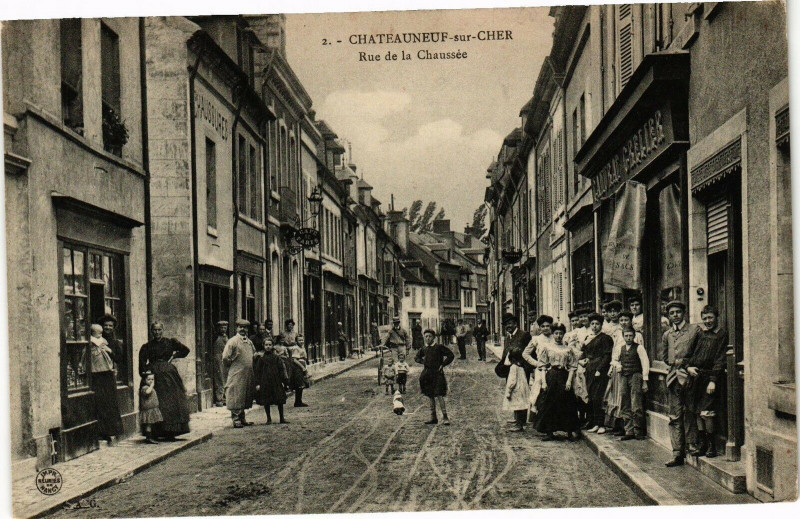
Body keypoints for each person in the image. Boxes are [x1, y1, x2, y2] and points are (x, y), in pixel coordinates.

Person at [658, 300, 702, 467]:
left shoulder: (694, 331)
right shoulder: (667, 335)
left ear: (684, 313)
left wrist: (687, 365)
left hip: (690, 376)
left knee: (690, 411)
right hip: (673, 379)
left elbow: (699, 353)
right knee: (675, 415)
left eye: (678, 312)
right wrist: (674, 366)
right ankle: (677, 452)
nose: (675, 316)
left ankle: (692, 444)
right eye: (671, 313)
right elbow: (665, 357)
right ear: (668, 316)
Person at [685, 305, 728, 458]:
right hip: (695, 377)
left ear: (717, 317)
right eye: (705, 319)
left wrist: (713, 380)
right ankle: (702, 444)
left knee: (707, 413)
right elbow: (688, 354)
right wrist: (689, 367)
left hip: (709, 378)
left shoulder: (722, 335)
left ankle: (712, 445)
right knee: (697, 411)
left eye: (710, 318)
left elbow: (720, 359)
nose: (707, 321)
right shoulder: (700, 334)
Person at [139, 322, 191, 439]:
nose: (157, 332)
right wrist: (147, 377)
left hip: (169, 376)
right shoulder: (147, 346)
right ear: (151, 331)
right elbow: (142, 366)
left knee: (171, 401)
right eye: (154, 330)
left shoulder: (170, 342)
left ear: (163, 330)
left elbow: (185, 350)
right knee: (155, 402)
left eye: (159, 330)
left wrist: (174, 356)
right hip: (154, 377)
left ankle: (170, 431)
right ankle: (156, 432)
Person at [533, 323, 581, 441]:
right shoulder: (547, 347)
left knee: (568, 403)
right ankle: (550, 432)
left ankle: (569, 431)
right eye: (556, 333)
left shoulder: (568, 349)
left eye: (561, 333)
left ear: (564, 334)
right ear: (553, 334)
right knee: (550, 403)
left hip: (564, 376)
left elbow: (572, 366)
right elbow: (543, 366)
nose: (558, 336)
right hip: (552, 376)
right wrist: (544, 382)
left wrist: (569, 381)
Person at [87, 321, 123, 444]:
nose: (108, 328)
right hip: (96, 374)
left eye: (110, 326)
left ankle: (111, 431)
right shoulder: (92, 341)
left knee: (109, 402)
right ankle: (101, 431)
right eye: (106, 325)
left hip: (108, 375)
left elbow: (119, 358)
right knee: (98, 402)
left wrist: (109, 351)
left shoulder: (113, 342)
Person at [415, 329, 455, 425]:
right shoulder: (424, 348)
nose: (428, 338)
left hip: (437, 374)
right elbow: (416, 358)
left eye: (430, 336)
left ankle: (445, 417)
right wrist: (423, 362)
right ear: (424, 337)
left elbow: (451, 355)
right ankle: (433, 417)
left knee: (439, 394)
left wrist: (443, 364)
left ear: (434, 338)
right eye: (426, 336)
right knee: (430, 395)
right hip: (427, 375)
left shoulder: (439, 347)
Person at [616, 326, 649, 441]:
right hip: (624, 376)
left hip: (636, 376)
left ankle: (638, 430)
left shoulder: (639, 348)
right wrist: (617, 365)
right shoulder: (621, 348)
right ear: (623, 336)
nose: (628, 338)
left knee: (636, 404)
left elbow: (645, 363)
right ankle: (628, 431)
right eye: (626, 335)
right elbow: (614, 360)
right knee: (625, 403)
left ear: (634, 336)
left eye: (630, 335)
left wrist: (645, 381)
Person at [582, 313, 614, 434]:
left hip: (600, 370)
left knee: (598, 397)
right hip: (589, 369)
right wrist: (584, 361)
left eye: (597, 324)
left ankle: (601, 424)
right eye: (592, 324)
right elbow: (585, 353)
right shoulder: (588, 338)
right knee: (590, 396)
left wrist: (599, 369)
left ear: (601, 325)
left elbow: (607, 356)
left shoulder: (605, 338)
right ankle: (593, 422)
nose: (595, 326)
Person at [222, 319, 256, 428]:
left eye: (245, 327)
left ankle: (242, 418)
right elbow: (225, 358)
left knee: (244, 395)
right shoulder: (232, 341)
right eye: (240, 327)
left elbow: (254, 354)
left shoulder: (249, 342)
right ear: (237, 328)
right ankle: (236, 419)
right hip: (236, 372)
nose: (242, 329)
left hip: (247, 373)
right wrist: (232, 364)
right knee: (236, 394)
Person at [253, 338, 289, 424]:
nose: (268, 347)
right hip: (265, 382)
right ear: (263, 346)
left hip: (276, 381)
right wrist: (257, 383)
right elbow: (257, 372)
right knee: (266, 400)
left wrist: (284, 381)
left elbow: (281, 370)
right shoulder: (261, 359)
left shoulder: (276, 358)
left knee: (279, 399)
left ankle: (282, 418)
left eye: (270, 345)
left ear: (272, 346)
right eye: (266, 345)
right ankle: (268, 419)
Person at [503, 346, 531, 433]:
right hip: (523, 389)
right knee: (523, 406)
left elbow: (512, 381)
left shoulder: (513, 367)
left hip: (516, 390)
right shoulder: (521, 366)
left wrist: (508, 392)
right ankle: (522, 423)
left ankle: (519, 425)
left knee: (518, 407)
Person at [139, 370, 163, 444]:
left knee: (151, 423)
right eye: (148, 379)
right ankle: (148, 438)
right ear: (144, 380)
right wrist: (152, 386)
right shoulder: (145, 388)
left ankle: (151, 436)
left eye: (152, 379)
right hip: (148, 409)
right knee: (149, 424)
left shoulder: (150, 387)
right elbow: (147, 392)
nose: (151, 381)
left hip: (152, 408)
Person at [287, 334, 310, 407]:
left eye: (302, 340)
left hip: (302, 364)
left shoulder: (302, 348)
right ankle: (297, 402)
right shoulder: (296, 348)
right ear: (296, 341)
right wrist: (302, 368)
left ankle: (299, 401)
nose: (301, 341)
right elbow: (294, 360)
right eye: (299, 340)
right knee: (299, 384)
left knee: (301, 384)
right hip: (298, 367)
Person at [213, 321, 228, 406]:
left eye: (224, 328)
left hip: (224, 359)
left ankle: (225, 397)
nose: (223, 329)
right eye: (221, 328)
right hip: (218, 359)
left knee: (225, 378)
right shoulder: (216, 337)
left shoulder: (226, 337)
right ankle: (219, 398)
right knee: (219, 378)